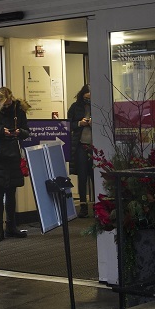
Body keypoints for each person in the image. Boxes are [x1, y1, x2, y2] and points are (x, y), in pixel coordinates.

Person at [0, 87, 30, 242]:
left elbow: (27, 131)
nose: (7, 106)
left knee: (11, 192)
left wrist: (19, 132)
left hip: (13, 154)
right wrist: (1, 131)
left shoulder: (18, 109)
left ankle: (11, 226)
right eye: (4, 104)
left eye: (9, 103)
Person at [67, 84, 93, 218]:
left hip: (95, 146)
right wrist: (79, 123)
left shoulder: (98, 106)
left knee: (95, 175)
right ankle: (83, 206)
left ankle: (98, 205)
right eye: (86, 96)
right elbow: (67, 124)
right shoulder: (75, 107)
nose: (88, 99)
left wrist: (94, 123)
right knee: (82, 176)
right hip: (80, 145)